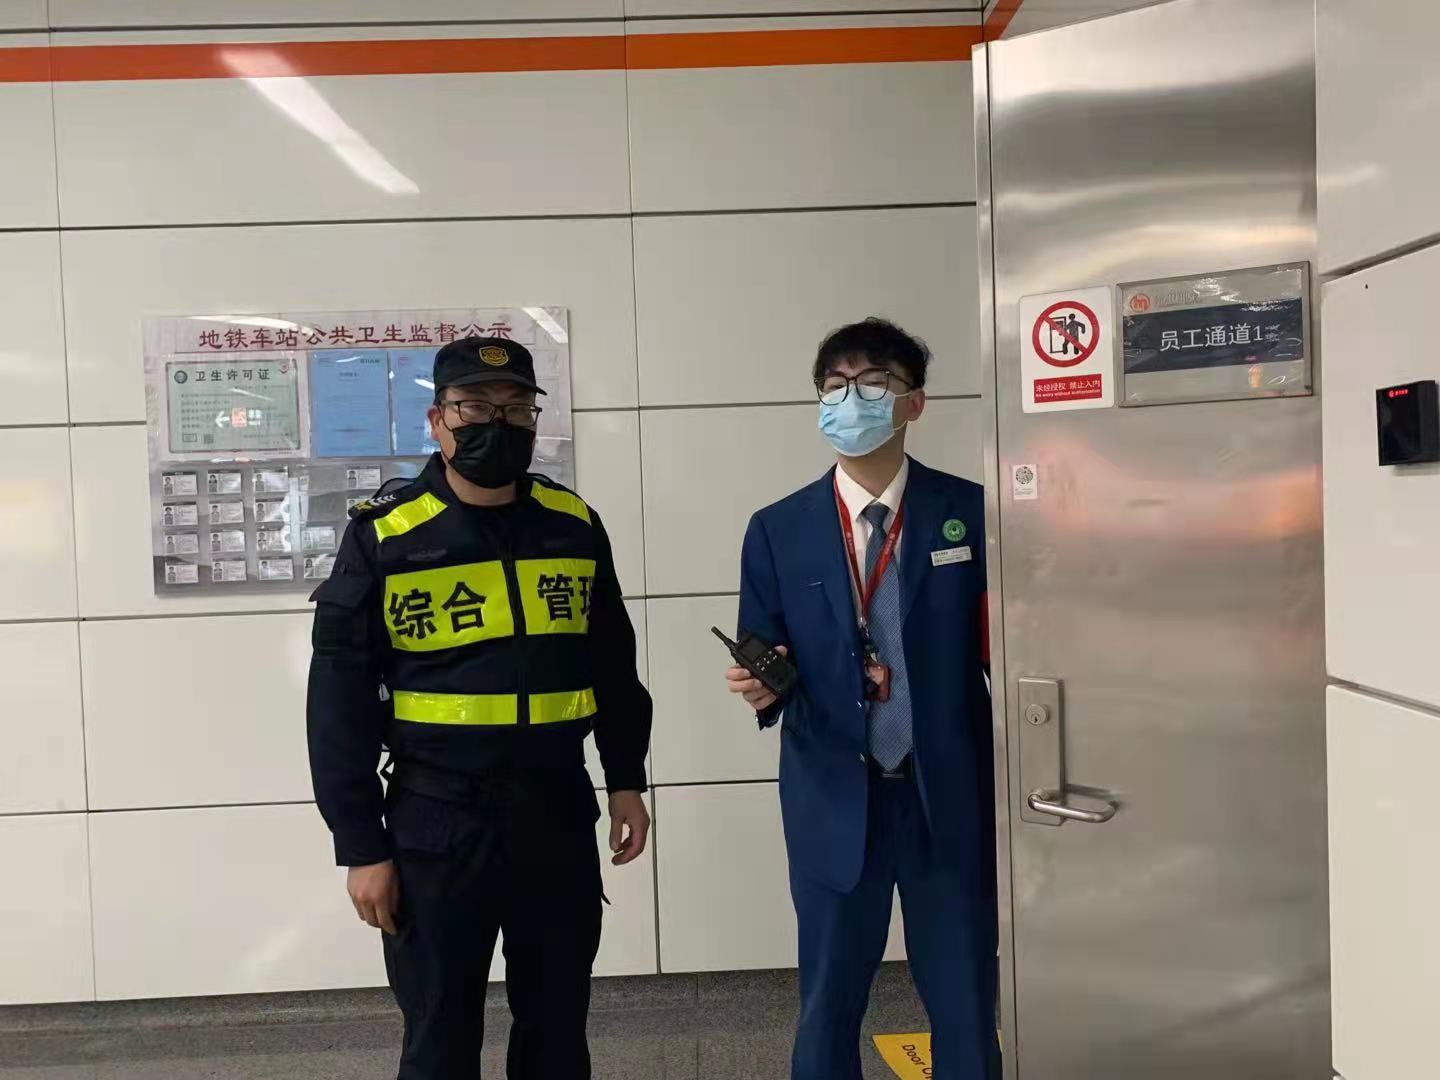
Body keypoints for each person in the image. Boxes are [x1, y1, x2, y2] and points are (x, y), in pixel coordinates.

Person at [307, 335, 653, 1080]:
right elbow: (337, 705)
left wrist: (626, 776)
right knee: (439, 1032)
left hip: (555, 813)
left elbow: (612, 664)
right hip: (436, 823)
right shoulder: (383, 536)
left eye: (516, 408)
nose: (497, 423)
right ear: (437, 419)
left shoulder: (573, 524)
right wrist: (360, 844)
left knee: (557, 1027)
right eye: (473, 407)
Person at [725, 318, 997, 1080]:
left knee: (966, 998)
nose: (851, 399)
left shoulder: (974, 513)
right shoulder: (778, 529)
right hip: (833, 795)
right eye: (835, 386)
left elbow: (1008, 649)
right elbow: (764, 648)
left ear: (914, 402)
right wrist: (760, 686)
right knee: (827, 1001)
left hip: (948, 792)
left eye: (872, 383)